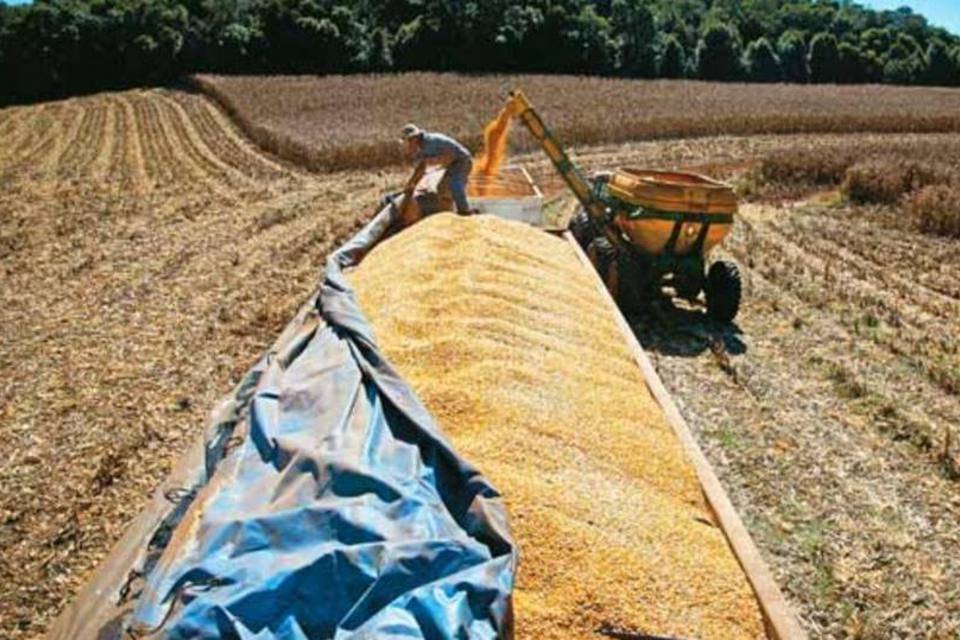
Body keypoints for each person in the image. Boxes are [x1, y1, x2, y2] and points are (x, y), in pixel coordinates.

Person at [401, 124, 474, 215]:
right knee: (442, 189)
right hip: (452, 163)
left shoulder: (432, 142)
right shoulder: (421, 147)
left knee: (454, 183)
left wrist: (437, 162)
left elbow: (451, 154)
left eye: (408, 142)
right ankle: (448, 213)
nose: (408, 146)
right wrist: (411, 184)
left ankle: (465, 211)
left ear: (414, 139)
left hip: (462, 161)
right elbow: (421, 168)